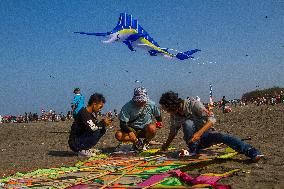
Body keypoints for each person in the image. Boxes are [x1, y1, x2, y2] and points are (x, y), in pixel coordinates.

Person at [159, 91, 264, 162]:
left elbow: (212, 119)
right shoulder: (174, 115)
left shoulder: (193, 104)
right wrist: (165, 147)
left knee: (224, 137)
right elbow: (173, 132)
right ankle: (194, 150)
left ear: (171, 105)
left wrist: (199, 133)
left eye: (166, 108)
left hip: (206, 135)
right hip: (194, 142)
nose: (166, 111)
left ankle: (251, 151)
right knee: (187, 124)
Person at [68, 93, 112, 157]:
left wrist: (103, 124)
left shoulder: (90, 114)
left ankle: (86, 148)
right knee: (96, 130)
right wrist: (103, 123)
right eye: (100, 107)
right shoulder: (84, 113)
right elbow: (93, 128)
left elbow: (94, 126)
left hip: (80, 138)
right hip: (75, 142)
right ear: (94, 104)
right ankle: (81, 150)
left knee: (102, 129)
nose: (100, 109)